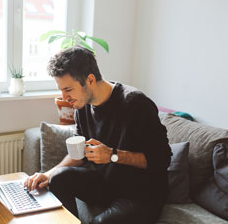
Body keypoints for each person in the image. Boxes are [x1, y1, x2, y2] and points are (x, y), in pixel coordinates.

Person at [24, 46, 172, 224]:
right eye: (61, 90)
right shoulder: (81, 106)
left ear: (90, 80)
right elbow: (78, 155)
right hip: (107, 182)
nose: (64, 97)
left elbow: (162, 159)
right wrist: (47, 174)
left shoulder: (135, 104)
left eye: (68, 89)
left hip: (142, 192)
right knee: (58, 179)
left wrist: (113, 155)